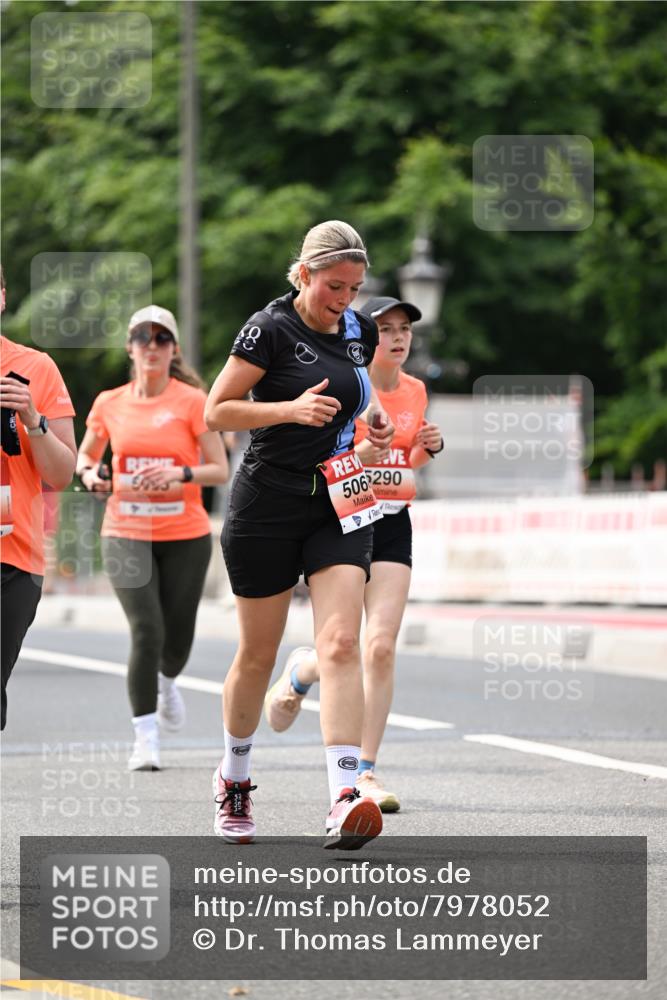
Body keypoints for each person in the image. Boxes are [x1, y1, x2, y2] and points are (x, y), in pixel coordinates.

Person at [205, 220, 394, 849]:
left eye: (355, 288)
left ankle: (344, 796)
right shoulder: (270, 328)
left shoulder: (360, 330)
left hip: (338, 498)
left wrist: (375, 426)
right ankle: (234, 777)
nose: (344, 300)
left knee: (341, 641)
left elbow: (358, 402)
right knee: (257, 655)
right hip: (267, 501)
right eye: (334, 286)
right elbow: (218, 409)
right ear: (304, 274)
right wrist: (286, 410)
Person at [264, 295, 444, 813]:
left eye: (405, 328)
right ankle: (304, 670)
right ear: (366, 335)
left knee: (380, 646)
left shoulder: (415, 390)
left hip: (392, 523)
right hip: (343, 518)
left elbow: (404, 471)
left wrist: (422, 453)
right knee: (346, 643)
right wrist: (359, 456)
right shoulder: (348, 382)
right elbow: (322, 459)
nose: (398, 337)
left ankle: (364, 773)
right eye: (385, 328)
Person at [77, 305, 229, 770]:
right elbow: (85, 458)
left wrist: (179, 473)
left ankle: (167, 681)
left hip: (184, 534)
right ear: (130, 346)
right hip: (125, 530)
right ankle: (145, 736)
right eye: (143, 337)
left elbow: (219, 469)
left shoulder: (191, 401)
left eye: (162, 338)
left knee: (177, 641)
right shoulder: (109, 402)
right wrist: (91, 476)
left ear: (174, 348)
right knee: (147, 629)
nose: (152, 346)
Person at [1, 265, 76, 729]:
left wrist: (33, 420)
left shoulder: (35, 368)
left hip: (13, 560)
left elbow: (62, 472)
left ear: (3, 297)